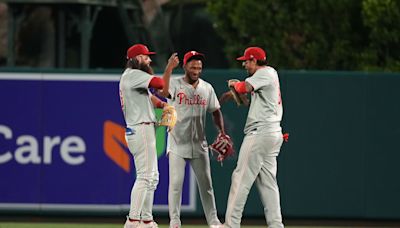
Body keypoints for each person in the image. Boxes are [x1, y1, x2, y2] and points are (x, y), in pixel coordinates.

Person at [159, 51, 226, 228]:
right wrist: (168, 69)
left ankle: (213, 221)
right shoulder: (175, 84)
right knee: (175, 184)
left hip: (199, 144)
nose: (196, 69)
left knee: (207, 185)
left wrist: (222, 132)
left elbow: (216, 110)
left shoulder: (207, 88)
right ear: (185, 66)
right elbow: (163, 91)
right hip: (177, 142)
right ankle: (174, 221)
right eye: (193, 66)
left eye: (199, 67)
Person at [221, 47, 285, 228]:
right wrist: (235, 92)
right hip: (271, 133)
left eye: (247, 61)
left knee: (240, 178)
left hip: (260, 133)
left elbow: (244, 87)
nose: (244, 64)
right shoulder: (268, 75)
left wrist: (235, 85)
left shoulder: (264, 72)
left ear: (255, 60)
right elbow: (247, 97)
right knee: (268, 184)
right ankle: (276, 225)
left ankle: (231, 224)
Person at [119, 44, 179, 228]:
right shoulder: (134, 74)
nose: (149, 60)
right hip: (140, 128)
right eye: (146, 57)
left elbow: (148, 96)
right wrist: (169, 68)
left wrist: (162, 106)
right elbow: (160, 85)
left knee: (152, 177)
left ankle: (146, 219)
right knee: (145, 176)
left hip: (142, 128)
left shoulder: (132, 78)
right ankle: (133, 220)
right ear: (136, 58)